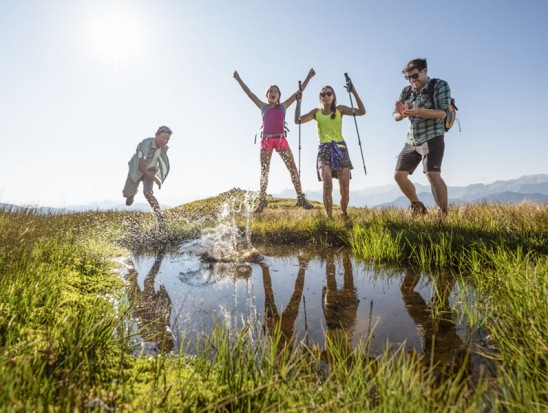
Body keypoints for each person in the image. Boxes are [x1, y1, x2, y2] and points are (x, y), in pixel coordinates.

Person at [234, 69, 315, 213]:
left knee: (293, 169)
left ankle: (300, 198)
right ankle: (262, 200)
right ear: (267, 95)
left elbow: (298, 92)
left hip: (281, 140)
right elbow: (250, 94)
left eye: (275, 91)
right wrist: (239, 79)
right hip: (266, 142)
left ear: (278, 96)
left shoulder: (283, 106)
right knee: (264, 171)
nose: (273, 93)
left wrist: (308, 76)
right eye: (270, 91)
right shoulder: (263, 107)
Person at [295, 82, 365, 220]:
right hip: (324, 150)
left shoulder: (340, 110)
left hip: (340, 149)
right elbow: (298, 120)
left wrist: (354, 91)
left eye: (329, 93)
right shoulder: (316, 113)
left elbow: (362, 112)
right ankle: (329, 218)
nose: (326, 96)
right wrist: (298, 102)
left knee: (344, 190)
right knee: (327, 185)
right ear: (320, 97)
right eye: (323, 94)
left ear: (333, 96)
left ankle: (343, 213)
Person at [393, 58, 451, 217]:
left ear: (425, 70)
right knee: (399, 176)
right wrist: (401, 115)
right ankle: (417, 206)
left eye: (415, 76)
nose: (412, 80)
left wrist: (419, 112)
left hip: (433, 135)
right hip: (412, 139)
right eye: (409, 77)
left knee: (432, 174)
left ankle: (443, 214)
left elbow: (442, 113)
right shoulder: (406, 91)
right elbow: (394, 114)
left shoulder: (439, 85)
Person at [122, 126, 172, 225]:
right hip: (137, 169)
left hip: (151, 169)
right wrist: (156, 179)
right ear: (156, 135)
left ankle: (160, 217)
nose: (165, 140)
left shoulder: (163, 148)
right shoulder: (146, 144)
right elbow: (141, 167)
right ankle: (132, 194)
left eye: (167, 138)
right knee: (126, 194)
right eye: (163, 137)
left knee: (148, 193)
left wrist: (154, 176)